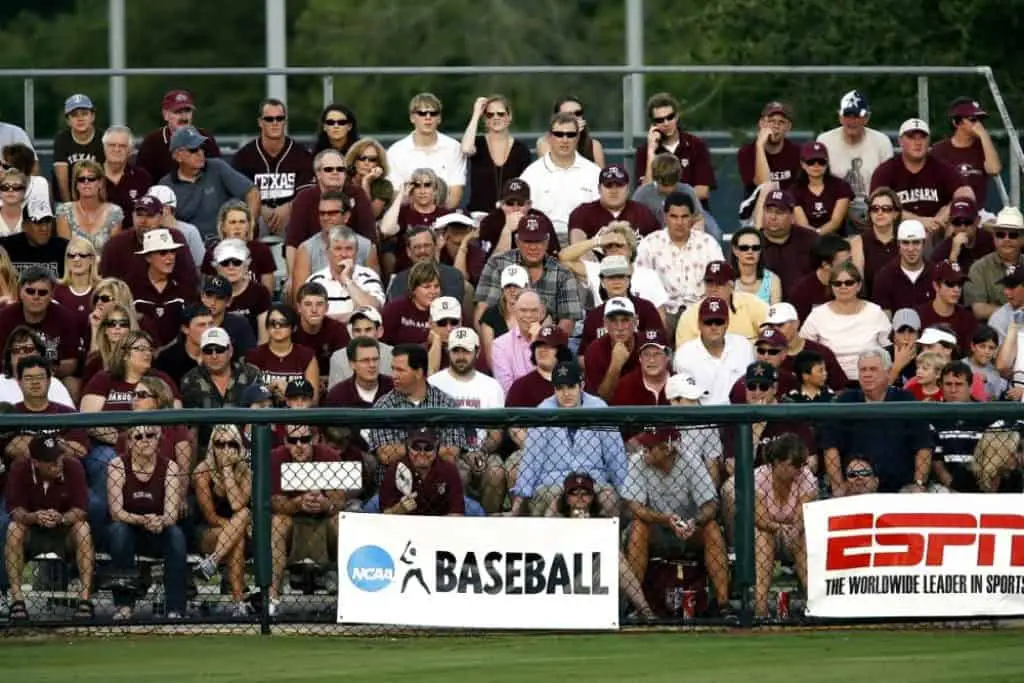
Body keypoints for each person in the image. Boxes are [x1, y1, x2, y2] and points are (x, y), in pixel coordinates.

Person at [623, 428, 733, 619]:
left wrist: (693, 522)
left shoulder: (690, 460)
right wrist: (665, 519)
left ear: (667, 448)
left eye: (649, 447)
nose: (643, 451)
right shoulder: (637, 461)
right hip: (656, 528)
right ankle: (635, 605)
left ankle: (723, 605)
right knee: (638, 528)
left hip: (689, 528)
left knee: (712, 529)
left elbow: (710, 505)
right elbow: (636, 507)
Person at [510, 360, 627, 517]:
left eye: (571, 387)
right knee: (554, 502)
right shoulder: (543, 411)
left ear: (582, 385)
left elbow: (615, 457)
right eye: (560, 388)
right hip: (553, 482)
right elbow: (532, 459)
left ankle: (606, 542)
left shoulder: (599, 408)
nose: (566, 394)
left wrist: (626, 493)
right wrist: (520, 500)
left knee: (609, 499)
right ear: (554, 389)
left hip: (593, 480)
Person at [3, 435, 95, 623]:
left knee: (83, 529)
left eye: (58, 458)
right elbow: (15, 509)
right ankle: (17, 600)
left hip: (63, 531)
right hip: (33, 530)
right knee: (14, 529)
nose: (57, 464)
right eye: (50, 462)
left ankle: (85, 600)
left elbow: (81, 509)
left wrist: (62, 518)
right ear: (36, 462)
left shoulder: (72, 466)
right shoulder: (20, 468)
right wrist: (34, 517)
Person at [819, 348, 932, 495]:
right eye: (863, 370)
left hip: (901, 489)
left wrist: (919, 484)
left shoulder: (905, 400)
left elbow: (923, 446)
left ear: (887, 371)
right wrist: (838, 486)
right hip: (855, 488)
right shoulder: (845, 402)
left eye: (873, 369)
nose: (867, 374)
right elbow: (830, 446)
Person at [106, 422, 187, 621]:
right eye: (138, 437)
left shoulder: (170, 467)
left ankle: (175, 608)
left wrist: (159, 521)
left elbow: (171, 515)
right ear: (130, 443)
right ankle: (124, 605)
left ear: (158, 440)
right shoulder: (117, 465)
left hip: (158, 529)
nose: (145, 441)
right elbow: (116, 512)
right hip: (129, 527)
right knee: (118, 531)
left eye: (150, 435)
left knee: (176, 535)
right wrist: (143, 520)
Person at [268, 424, 352, 615]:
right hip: (293, 522)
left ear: (314, 440)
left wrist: (325, 504)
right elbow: (275, 502)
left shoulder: (329, 456)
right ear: (284, 441)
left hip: (324, 522)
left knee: (341, 521)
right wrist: (298, 503)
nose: (299, 445)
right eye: (293, 440)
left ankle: (348, 597)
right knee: (278, 522)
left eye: (305, 440)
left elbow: (338, 501)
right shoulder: (276, 457)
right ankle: (273, 597)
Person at [428, 327, 506, 511]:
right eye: (456, 350)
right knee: (457, 472)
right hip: (446, 451)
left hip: (482, 449)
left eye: (466, 351)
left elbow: (496, 434)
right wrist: (460, 454)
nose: (461, 356)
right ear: (448, 352)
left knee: (496, 472)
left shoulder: (491, 385)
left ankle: (488, 521)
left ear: (477, 352)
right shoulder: (434, 383)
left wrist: (480, 452)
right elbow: (428, 431)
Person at [474, 212, 583, 337]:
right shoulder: (498, 264)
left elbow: (567, 321)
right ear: (518, 241)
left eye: (538, 241)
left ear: (547, 241)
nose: (533, 247)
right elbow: (482, 310)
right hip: (499, 339)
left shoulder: (563, 273)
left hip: (544, 341)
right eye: (528, 241)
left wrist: (546, 345)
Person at [635, 192, 723, 333]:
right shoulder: (650, 244)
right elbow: (638, 282)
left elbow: (721, 280)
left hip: (700, 311)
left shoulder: (708, 244)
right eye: (674, 217)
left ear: (693, 218)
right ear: (665, 218)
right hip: (663, 311)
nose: (679, 223)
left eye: (684, 217)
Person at [157, 126, 259, 243]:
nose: (200, 153)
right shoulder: (165, 186)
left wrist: (249, 226)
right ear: (177, 156)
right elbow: (162, 221)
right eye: (193, 149)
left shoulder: (217, 167)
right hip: (190, 248)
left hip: (225, 243)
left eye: (202, 148)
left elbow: (253, 193)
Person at [231, 98, 315, 238]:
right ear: (260, 122)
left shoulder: (301, 154)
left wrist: (289, 207)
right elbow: (236, 191)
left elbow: (308, 191)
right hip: (256, 216)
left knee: (299, 218)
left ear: (285, 122)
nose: (275, 123)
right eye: (269, 119)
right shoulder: (244, 156)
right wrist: (258, 207)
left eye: (279, 118)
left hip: (291, 217)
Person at [753, 434, 816, 619]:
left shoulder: (806, 477)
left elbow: (801, 515)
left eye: (802, 464)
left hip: (794, 533)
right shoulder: (758, 477)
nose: (799, 469)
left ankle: (815, 603)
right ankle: (760, 608)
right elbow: (761, 519)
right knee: (763, 537)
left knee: (801, 538)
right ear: (777, 463)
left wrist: (794, 529)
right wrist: (779, 528)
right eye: (793, 465)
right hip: (766, 531)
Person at [192, 424, 253, 616]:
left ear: (238, 446)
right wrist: (236, 528)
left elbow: (236, 504)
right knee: (240, 525)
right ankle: (238, 603)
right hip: (209, 531)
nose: (226, 449)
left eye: (231, 444)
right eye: (220, 444)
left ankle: (212, 562)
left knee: (241, 519)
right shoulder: (202, 471)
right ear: (212, 446)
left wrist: (227, 470)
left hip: (237, 535)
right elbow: (210, 516)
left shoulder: (245, 471)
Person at [799, 261, 891, 381]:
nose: (843, 287)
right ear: (831, 287)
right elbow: (804, 349)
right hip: (829, 382)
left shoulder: (875, 312)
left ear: (858, 286)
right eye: (837, 283)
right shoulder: (817, 315)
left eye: (849, 282)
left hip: (872, 380)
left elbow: (888, 347)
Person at [869, 118, 966, 231]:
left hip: (936, 230)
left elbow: (965, 193)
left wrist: (946, 212)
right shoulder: (886, 170)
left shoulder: (942, 168)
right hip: (897, 233)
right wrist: (919, 221)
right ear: (900, 141)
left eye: (922, 137)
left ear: (928, 140)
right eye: (911, 137)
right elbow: (875, 205)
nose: (918, 143)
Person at [519, 112, 601, 244]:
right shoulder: (531, 174)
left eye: (570, 135)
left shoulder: (594, 173)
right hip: (541, 243)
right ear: (549, 137)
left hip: (584, 243)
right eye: (558, 134)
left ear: (578, 137)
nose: (565, 139)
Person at [816, 90, 894, 211]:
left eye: (857, 116)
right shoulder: (824, 141)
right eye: (848, 116)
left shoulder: (882, 142)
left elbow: (889, 185)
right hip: (833, 207)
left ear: (867, 118)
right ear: (840, 117)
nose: (852, 121)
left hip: (873, 208)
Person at [386, 93, 466, 208]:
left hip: (445, 217)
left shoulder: (454, 148)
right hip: (408, 218)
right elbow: (396, 195)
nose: (428, 117)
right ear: (412, 118)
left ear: (439, 118)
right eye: (422, 113)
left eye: (433, 113)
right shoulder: (396, 152)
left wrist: (437, 216)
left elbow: (455, 193)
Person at [633, 92, 715, 203]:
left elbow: (703, 191)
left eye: (670, 117)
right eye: (660, 120)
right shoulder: (645, 151)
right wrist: (651, 151)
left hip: (693, 209)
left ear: (677, 116)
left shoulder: (696, 145)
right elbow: (644, 194)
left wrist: (667, 197)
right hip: (657, 211)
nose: (666, 123)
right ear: (653, 124)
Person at [673, 297, 754, 405]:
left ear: (727, 323)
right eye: (708, 322)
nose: (713, 327)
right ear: (699, 324)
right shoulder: (684, 354)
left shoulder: (743, 346)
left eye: (719, 322)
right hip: (702, 419)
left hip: (740, 417)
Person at [460, 95, 532, 213]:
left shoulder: (521, 150)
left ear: (509, 117)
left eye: (501, 114)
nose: (495, 117)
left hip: (511, 215)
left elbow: (526, 188)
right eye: (490, 114)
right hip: (479, 215)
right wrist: (476, 114)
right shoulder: (478, 143)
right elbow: (466, 149)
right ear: (485, 119)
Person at [136, 89, 221, 182]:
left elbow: (217, 174)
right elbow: (142, 180)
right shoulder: (152, 142)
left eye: (187, 111)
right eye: (178, 112)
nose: (184, 117)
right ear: (165, 115)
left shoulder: (206, 138)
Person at [931, 98, 1002, 207]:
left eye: (980, 120)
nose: (978, 125)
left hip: (977, 212)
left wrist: (984, 135)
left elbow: (994, 169)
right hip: (946, 211)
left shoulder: (984, 146)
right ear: (956, 122)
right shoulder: (938, 150)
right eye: (973, 119)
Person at [244, 303, 319, 406]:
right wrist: (268, 389)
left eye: (283, 323)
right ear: (266, 327)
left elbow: (314, 400)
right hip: (264, 416)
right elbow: (246, 398)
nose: (277, 326)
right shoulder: (254, 356)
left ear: (294, 327)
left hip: (296, 416)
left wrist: (290, 393)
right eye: (272, 323)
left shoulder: (306, 356)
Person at [568, 165, 660, 244]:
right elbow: (576, 245)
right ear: (599, 189)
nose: (614, 191)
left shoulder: (643, 213)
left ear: (628, 189)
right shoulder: (582, 213)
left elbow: (658, 245)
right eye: (609, 185)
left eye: (619, 185)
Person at [55, 160, 123, 251]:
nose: (86, 182)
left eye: (91, 179)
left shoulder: (114, 212)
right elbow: (65, 251)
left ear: (100, 183)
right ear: (76, 185)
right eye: (81, 179)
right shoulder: (64, 211)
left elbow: (114, 254)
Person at [738, 101, 801, 198]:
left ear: (788, 127)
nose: (776, 126)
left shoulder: (798, 153)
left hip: (788, 206)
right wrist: (759, 146)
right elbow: (763, 185)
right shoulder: (747, 153)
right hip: (757, 207)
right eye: (771, 121)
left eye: (781, 122)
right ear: (761, 123)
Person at [790, 141, 853, 235]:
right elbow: (802, 224)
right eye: (811, 162)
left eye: (821, 161)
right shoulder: (794, 190)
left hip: (835, 239)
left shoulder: (842, 186)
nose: (816, 165)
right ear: (802, 164)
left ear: (827, 163)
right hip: (805, 239)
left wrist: (817, 234)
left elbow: (836, 222)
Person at [54, 96, 106, 203]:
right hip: (68, 198)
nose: (80, 118)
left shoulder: (103, 138)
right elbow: (62, 179)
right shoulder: (62, 139)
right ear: (68, 120)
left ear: (92, 116)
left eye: (84, 113)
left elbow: (105, 176)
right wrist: (69, 208)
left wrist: (102, 207)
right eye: (74, 115)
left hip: (97, 198)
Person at [1, 196, 69, 278]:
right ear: (24, 226)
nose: (44, 228)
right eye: (37, 222)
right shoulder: (6, 248)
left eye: (47, 221)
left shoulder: (64, 248)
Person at [327, 306, 392, 388]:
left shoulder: (393, 355)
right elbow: (335, 396)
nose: (362, 335)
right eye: (357, 330)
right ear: (351, 333)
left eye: (368, 330)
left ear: (380, 331)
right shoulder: (338, 358)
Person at [102, 126, 153, 230]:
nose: (116, 149)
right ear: (104, 147)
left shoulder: (142, 177)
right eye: (112, 145)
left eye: (122, 146)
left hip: (134, 239)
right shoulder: (90, 176)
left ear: (130, 150)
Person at [535, 96, 606, 167]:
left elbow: (598, 175)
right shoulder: (544, 143)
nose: (574, 118)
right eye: (568, 115)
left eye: (578, 113)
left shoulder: (594, 145)